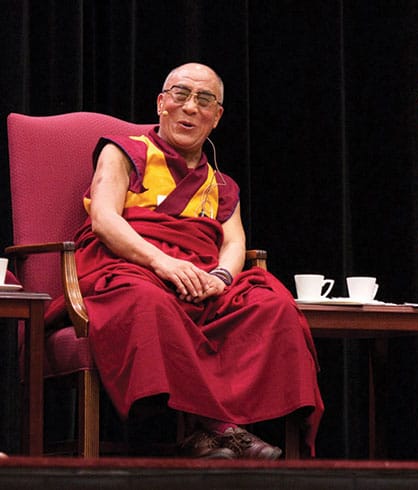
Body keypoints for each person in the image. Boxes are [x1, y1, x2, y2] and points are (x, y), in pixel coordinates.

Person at [46, 63, 323, 459]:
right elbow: (105, 219)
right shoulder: (124, 151)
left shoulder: (221, 184)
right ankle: (220, 429)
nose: (190, 107)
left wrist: (222, 277)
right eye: (180, 94)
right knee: (147, 301)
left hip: (201, 280)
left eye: (204, 100)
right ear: (161, 103)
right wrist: (164, 264)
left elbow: (234, 242)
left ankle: (209, 436)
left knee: (271, 303)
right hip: (133, 267)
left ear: (217, 117)